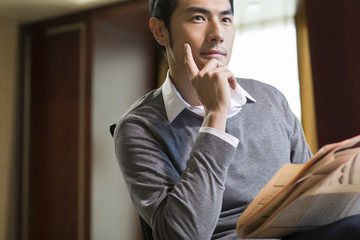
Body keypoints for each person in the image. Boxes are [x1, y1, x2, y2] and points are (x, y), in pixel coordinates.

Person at [113, 0, 360, 239]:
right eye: (199, 18)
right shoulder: (139, 127)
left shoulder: (271, 99)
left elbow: (312, 200)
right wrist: (215, 116)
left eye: (226, 19)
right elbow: (183, 235)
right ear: (160, 31)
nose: (218, 34)